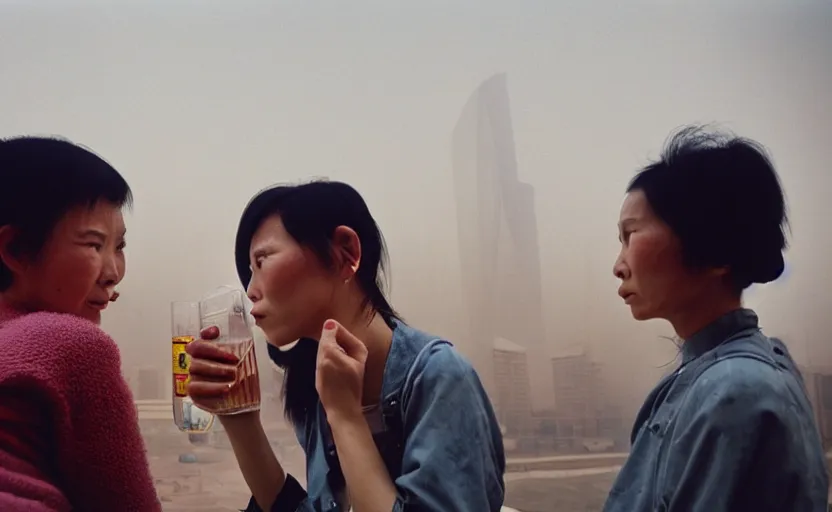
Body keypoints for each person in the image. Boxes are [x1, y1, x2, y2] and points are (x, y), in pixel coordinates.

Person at [186, 180, 506, 511]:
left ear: (345, 252)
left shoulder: (441, 378)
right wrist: (240, 421)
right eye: (249, 272)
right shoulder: (318, 385)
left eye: (262, 260)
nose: (250, 289)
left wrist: (345, 415)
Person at [605, 126, 829, 511]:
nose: (618, 266)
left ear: (711, 249)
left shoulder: (736, 391)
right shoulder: (720, 377)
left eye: (631, 234)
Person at [0, 137, 160, 511]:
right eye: (94, 245)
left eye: (119, 246)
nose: (113, 273)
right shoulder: (70, 344)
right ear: (16, 250)